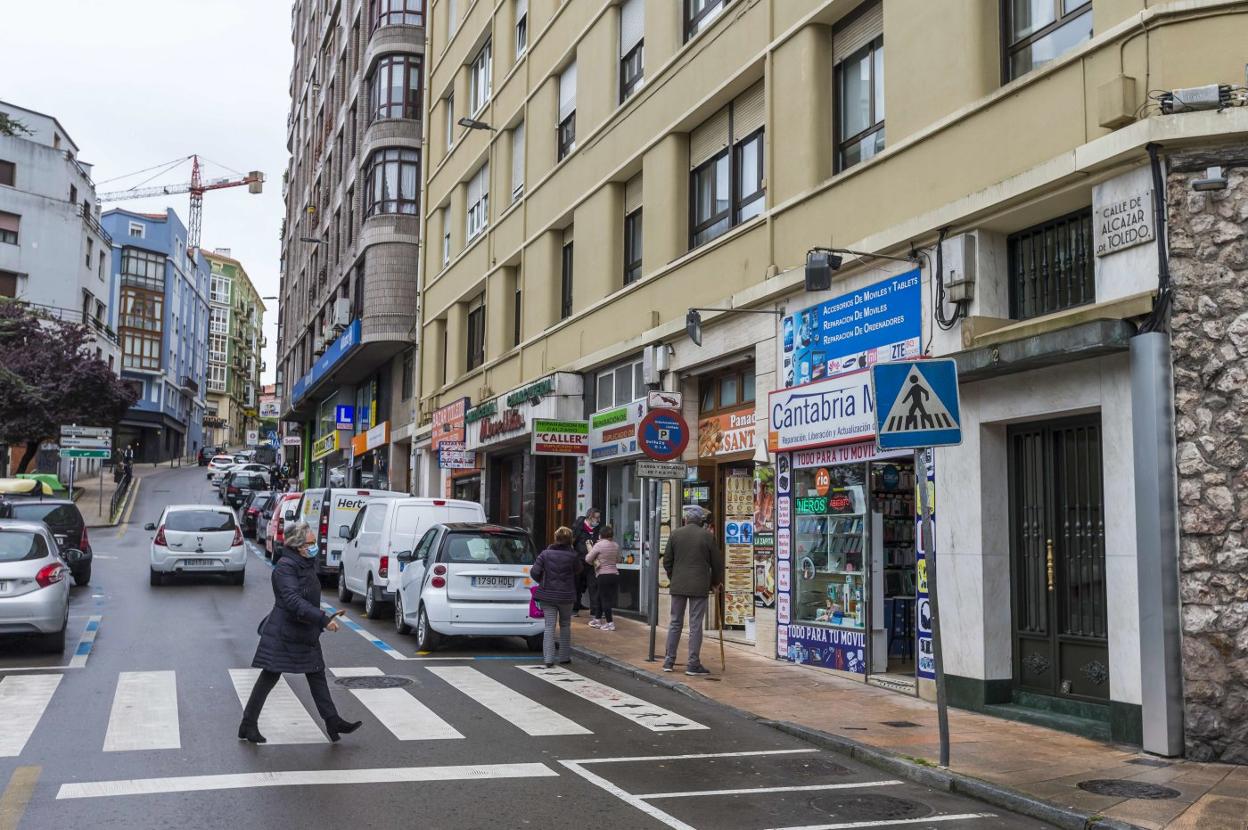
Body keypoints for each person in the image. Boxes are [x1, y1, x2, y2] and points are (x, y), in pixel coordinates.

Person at [239, 520, 362, 744]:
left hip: (304, 631)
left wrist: (320, 618)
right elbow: (293, 601)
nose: (314, 546)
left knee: (316, 673)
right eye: (311, 543)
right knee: (270, 676)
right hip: (285, 632)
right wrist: (323, 620)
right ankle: (248, 723)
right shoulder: (286, 567)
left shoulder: (305, 563)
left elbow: (306, 597)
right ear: (298, 546)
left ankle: (332, 721)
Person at [662, 505, 724, 676]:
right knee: (695, 625)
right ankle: (692, 664)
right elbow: (717, 563)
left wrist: (674, 577)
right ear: (700, 521)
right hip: (699, 585)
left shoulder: (675, 534)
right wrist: (715, 582)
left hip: (678, 585)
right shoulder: (707, 536)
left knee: (675, 622)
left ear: (686, 519)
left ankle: (669, 661)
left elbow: (667, 560)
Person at [530, 526, 583, 668]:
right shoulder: (573, 556)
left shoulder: (545, 554)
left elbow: (534, 572)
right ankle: (564, 657)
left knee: (549, 626)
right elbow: (579, 570)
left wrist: (543, 580)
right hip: (566, 596)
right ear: (570, 540)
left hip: (547, 595)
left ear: (556, 538)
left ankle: (548, 659)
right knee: (565, 625)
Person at [585, 525, 621, 631]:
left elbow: (588, 559)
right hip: (614, 575)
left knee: (605, 600)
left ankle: (610, 623)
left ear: (601, 535)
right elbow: (618, 559)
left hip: (603, 575)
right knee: (601, 597)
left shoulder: (598, 545)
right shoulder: (615, 545)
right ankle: (597, 619)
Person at [571, 508, 601, 617]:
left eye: (599, 517)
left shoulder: (598, 529)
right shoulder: (579, 528)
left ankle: (595, 611)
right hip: (579, 561)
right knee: (576, 585)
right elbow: (572, 542)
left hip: (592, 562)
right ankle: (574, 609)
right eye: (596, 517)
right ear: (589, 517)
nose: (598, 520)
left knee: (593, 586)